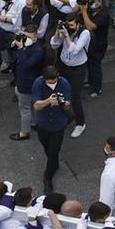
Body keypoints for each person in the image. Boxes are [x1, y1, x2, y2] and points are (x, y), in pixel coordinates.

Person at [31, 63, 73, 191]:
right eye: (49, 82)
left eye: (54, 81)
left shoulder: (64, 83)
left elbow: (68, 105)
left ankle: (47, 177)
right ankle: (53, 163)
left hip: (58, 124)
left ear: (58, 77)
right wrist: (48, 101)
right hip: (42, 123)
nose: (52, 83)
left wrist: (63, 103)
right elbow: (36, 105)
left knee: (53, 151)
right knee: (47, 147)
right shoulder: (38, 83)